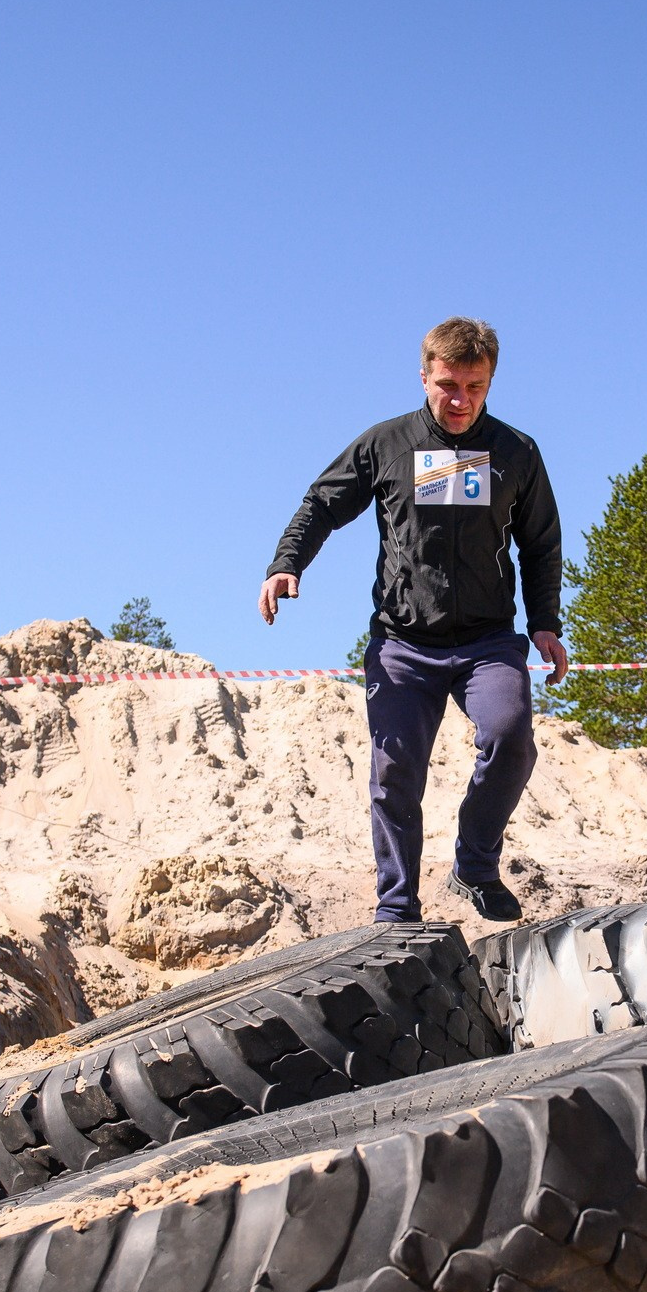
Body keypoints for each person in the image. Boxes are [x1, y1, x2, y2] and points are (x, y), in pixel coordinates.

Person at [259, 317, 568, 924]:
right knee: (395, 771)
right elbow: (322, 502)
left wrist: (545, 622)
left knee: (510, 738)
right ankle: (397, 907)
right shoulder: (389, 444)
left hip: (486, 642)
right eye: (448, 385)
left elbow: (541, 542)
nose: (460, 401)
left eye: (475, 388)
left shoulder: (516, 453)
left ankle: (475, 865)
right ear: (424, 376)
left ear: (491, 383)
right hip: (403, 641)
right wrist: (286, 563)